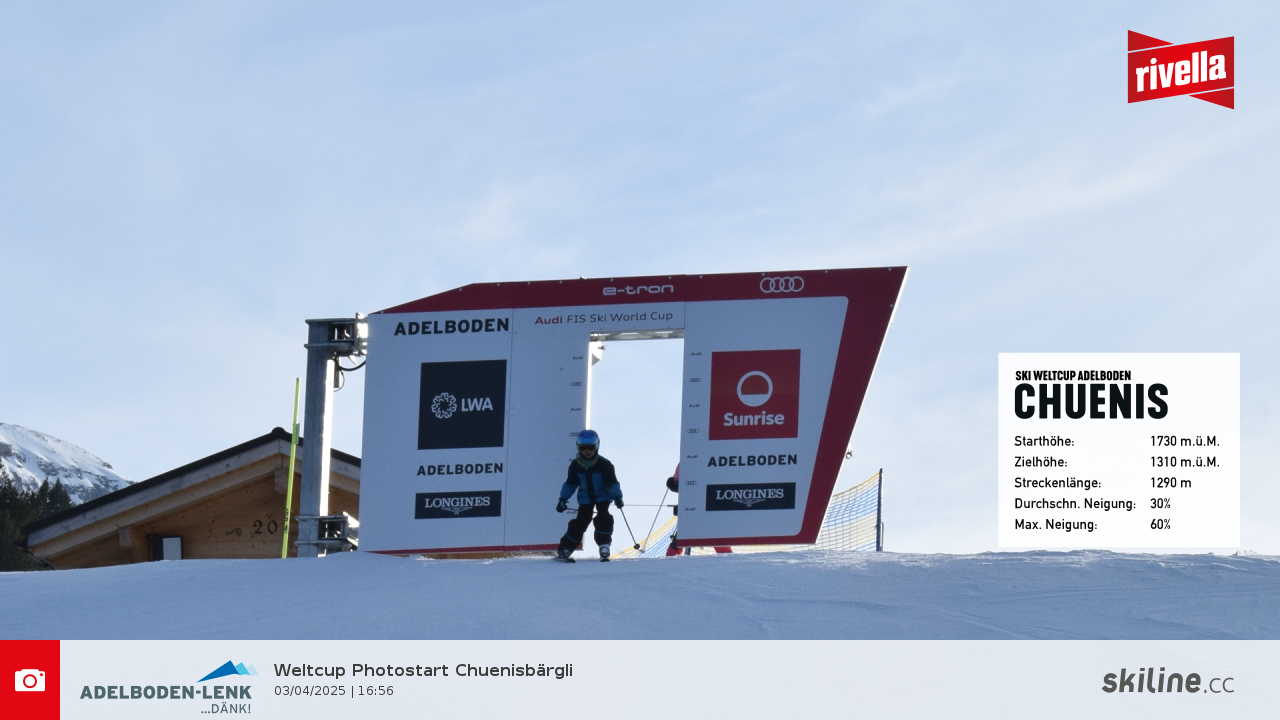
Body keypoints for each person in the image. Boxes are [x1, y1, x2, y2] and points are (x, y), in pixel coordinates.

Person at [554, 429, 624, 562]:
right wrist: (563, 499)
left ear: (596, 446)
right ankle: (566, 548)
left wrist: (617, 496)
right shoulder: (576, 466)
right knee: (581, 521)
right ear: (578, 448)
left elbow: (611, 483)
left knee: (603, 516)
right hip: (586, 498)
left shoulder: (604, 464)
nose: (587, 452)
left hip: (603, 496)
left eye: (590, 448)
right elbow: (570, 484)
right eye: (583, 448)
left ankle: (604, 545)